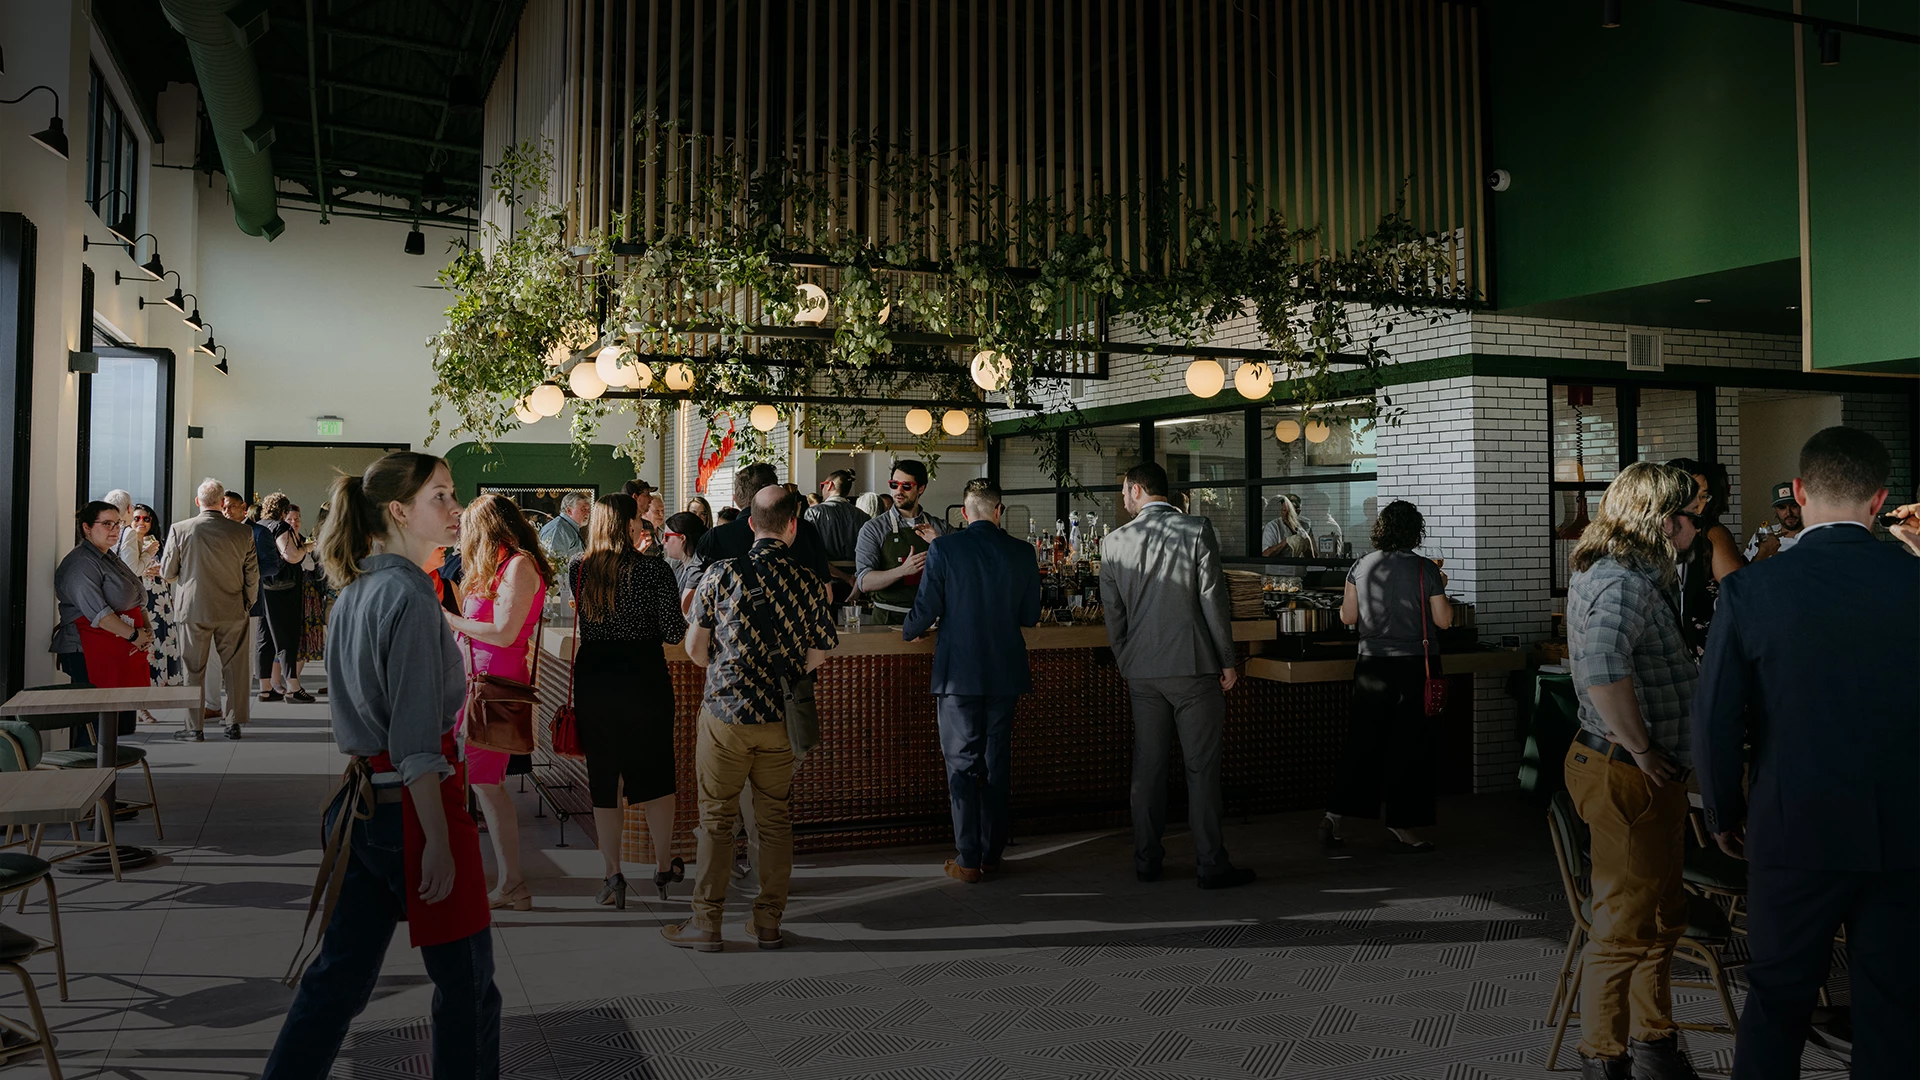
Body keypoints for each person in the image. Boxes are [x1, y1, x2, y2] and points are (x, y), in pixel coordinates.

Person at [1692, 428, 1920, 1080]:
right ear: (1879, 501)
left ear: (1798, 491)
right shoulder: (1913, 582)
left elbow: (1715, 719)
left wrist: (1723, 813)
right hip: (1905, 827)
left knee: (1778, 998)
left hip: (1793, 823)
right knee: (1896, 1004)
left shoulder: (1752, 591)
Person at [265, 452, 498, 1080]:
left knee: (337, 979)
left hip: (364, 807)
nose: (455, 510)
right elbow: (418, 740)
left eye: (453, 496)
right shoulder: (410, 596)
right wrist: (441, 841)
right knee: (469, 987)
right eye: (441, 497)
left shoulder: (357, 592)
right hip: (412, 809)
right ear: (398, 511)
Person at [1562, 461, 1701, 1080]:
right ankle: (1604, 1057)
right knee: (1622, 927)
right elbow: (1601, 667)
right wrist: (1642, 747)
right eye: (1691, 513)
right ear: (1664, 520)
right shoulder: (1623, 581)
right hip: (1628, 771)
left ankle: (1654, 1043)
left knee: (1659, 916)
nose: (1697, 524)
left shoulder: (1618, 572)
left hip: (1637, 770)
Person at [662, 487, 837, 951]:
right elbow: (817, 656)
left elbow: (694, 651)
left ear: (751, 523)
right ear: (793, 524)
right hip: (781, 720)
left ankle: (707, 924)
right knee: (774, 820)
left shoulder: (721, 573)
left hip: (725, 716)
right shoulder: (808, 581)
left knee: (717, 821)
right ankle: (768, 923)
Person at [1098, 462, 1254, 889]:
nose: (1122, 499)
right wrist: (1228, 661)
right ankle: (1210, 863)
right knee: (1200, 768)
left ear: (1137, 489)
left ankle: (1147, 859)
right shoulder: (1196, 530)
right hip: (1192, 666)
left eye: (1124, 491)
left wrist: (1125, 656)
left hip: (1142, 670)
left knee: (1147, 767)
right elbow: (1213, 601)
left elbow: (1113, 614)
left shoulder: (1113, 543)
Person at [902, 478, 1040, 883]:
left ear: (964, 513)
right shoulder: (1022, 552)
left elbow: (926, 608)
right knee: (996, 765)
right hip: (1005, 672)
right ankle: (991, 855)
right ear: (999, 511)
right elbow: (1030, 615)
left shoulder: (945, 547)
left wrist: (909, 630)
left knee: (961, 766)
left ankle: (967, 859)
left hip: (958, 675)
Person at [568, 494, 688, 908]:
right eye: (638, 518)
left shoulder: (579, 570)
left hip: (596, 679)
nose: (642, 525)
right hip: (643, 677)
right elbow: (674, 633)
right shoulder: (655, 570)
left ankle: (613, 874)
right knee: (655, 771)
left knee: (604, 777)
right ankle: (661, 866)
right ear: (629, 525)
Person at [1322, 499, 1454, 853]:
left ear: (1380, 530)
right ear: (1415, 531)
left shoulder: (1360, 565)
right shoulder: (1426, 569)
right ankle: (1402, 826)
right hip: (1414, 668)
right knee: (1409, 746)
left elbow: (1348, 618)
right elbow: (1444, 621)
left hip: (1370, 666)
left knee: (1363, 742)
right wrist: (1440, 585)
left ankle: (1334, 816)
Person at [444, 494, 550, 912]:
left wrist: (448, 618)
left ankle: (513, 883)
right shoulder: (501, 565)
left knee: (488, 786)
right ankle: (509, 881)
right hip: (478, 684)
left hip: (495, 688)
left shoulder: (519, 566)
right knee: (485, 787)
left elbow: (505, 633)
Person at [163, 479, 260, 741]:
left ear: (198, 502)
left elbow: (167, 572)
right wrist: (246, 603)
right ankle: (233, 723)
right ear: (222, 503)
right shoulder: (242, 533)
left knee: (192, 669)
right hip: (232, 608)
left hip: (193, 609)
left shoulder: (180, 529)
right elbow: (252, 575)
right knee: (236, 668)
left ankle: (194, 728)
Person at [52, 501, 153, 746]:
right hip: (87, 652)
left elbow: (138, 597)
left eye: (117, 523)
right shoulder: (81, 563)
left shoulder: (109, 556)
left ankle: (105, 775)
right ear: (86, 528)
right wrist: (133, 636)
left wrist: (146, 630)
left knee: (113, 727)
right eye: (106, 524)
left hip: (115, 651)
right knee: (92, 729)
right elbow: (100, 614)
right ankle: (88, 780)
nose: (114, 529)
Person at [693, 464, 834, 585]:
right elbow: (826, 591)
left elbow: (690, 599)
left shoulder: (715, 537)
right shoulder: (805, 530)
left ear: (735, 499)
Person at [1663, 459, 1746, 658]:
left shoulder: (1706, 533)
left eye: (1704, 496)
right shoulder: (1713, 533)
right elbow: (1741, 590)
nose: (1699, 506)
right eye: (1694, 496)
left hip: (1698, 646)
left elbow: (1738, 591)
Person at [853, 460, 951, 622]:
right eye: (894, 484)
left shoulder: (940, 527)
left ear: (921, 488)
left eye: (906, 486)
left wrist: (939, 542)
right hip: (888, 619)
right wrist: (903, 570)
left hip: (932, 619)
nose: (898, 491)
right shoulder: (873, 529)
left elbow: (963, 565)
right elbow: (864, 581)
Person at [257, 494, 317, 703]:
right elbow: (290, 555)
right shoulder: (280, 527)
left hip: (262, 587)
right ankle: (292, 686)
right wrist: (306, 548)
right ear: (283, 511)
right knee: (287, 636)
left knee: (264, 638)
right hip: (284, 587)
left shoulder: (258, 525)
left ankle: (265, 688)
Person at [129, 504, 184, 712]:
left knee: (162, 638)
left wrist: (162, 571)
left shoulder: (158, 543)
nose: (141, 523)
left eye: (146, 519)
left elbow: (170, 569)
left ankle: (161, 688)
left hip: (160, 598)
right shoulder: (128, 544)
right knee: (146, 643)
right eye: (136, 518)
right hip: (141, 599)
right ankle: (144, 694)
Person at [807, 468, 870, 604]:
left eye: (822, 485)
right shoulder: (863, 516)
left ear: (829, 485)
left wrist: (845, 577)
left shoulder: (813, 513)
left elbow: (812, 553)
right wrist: (853, 578)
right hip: (857, 582)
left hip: (825, 580)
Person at [1743, 480, 1803, 562]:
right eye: (1782, 508)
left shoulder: (1816, 535)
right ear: (1776, 510)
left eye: (1794, 506)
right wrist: (1764, 552)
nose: (1789, 513)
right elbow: (1746, 572)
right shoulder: (1763, 536)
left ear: (1802, 506)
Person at [663, 511, 709, 610]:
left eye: (667, 537)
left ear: (682, 538)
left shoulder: (699, 572)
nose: (663, 542)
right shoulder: (679, 567)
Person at [538, 490, 591, 562]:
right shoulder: (559, 529)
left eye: (589, 509)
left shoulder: (566, 527)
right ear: (569, 510)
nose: (587, 513)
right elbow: (554, 564)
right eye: (583, 509)